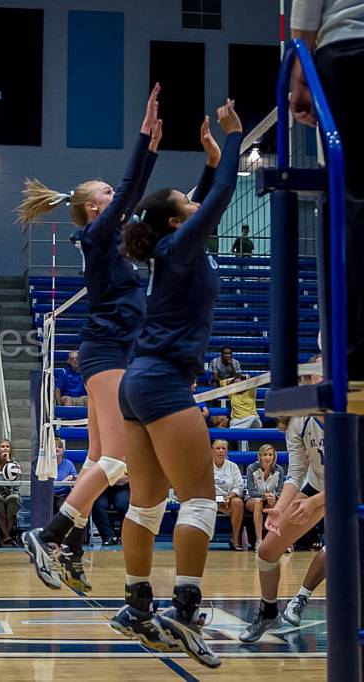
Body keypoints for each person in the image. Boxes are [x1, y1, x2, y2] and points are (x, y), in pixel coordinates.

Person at [104, 100, 242, 667]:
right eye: (187, 202)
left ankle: (136, 605)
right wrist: (231, 142)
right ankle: (184, 612)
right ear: (175, 222)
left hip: (139, 382)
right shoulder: (181, 247)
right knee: (202, 498)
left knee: (147, 504)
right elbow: (219, 201)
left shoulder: (175, 245)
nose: (195, 201)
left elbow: (198, 204)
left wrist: (207, 165)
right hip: (161, 382)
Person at [17, 87, 163, 593]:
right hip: (107, 352)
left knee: (103, 461)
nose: (115, 199)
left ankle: (74, 551)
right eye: (106, 193)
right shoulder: (98, 236)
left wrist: (153, 149)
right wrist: (145, 139)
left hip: (112, 351)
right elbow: (129, 190)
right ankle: (50, 534)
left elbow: (134, 197)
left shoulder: (113, 238)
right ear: (93, 207)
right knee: (118, 460)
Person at [290, 0, 364, 379]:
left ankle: (350, 349)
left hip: (347, 47)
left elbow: (304, 18)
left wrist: (299, 73)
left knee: (348, 200)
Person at [239, 404, 326, 642]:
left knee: (338, 549)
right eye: (307, 377)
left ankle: (301, 597)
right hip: (318, 487)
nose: (312, 382)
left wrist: (315, 503)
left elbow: (352, 476)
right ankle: (268, 611)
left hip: (353, 491)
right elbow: (296, 472)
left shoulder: (351, 414)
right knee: (267, 552)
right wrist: (279, 508)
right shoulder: (298, 420)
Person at [244, 444, 284, 550]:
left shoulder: (279, 469)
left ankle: (279, 541)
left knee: (276, 503)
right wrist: (264, 496)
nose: (267, 457)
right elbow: (252, 491)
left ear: (274, 456)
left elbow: (280, 491)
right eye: (265, 455)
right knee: (258, 503)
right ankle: (259, 541)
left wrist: (274, 496)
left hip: (271, 498)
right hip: (253, 500)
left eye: (270, 455)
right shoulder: (251, 468)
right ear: (260, 456)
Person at [0, 440, 24, 547]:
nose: (5, 448)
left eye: (7, 446)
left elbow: (15, 478)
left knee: (12, 505)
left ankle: (5, 537)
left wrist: (8, 462)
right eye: (2, 446)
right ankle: (6, 536)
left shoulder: (15, 463)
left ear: (10, 449)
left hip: (11, 491)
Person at [211, 439, 245, 550]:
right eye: (218, 448)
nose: (221, 451)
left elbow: (239, 486)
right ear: (212, 451)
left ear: (227, 451)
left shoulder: (233, 466)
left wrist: (231, 495)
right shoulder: (205, 465)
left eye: (223, 448)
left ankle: (235, 538)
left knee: (238, 502)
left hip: (227, 500)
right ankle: (200, 539)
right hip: (209, 500)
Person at [92, 474, 131, 547]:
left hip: (121, 485)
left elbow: (133, 473)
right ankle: (108, 536)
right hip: (102, 487)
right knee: (97, 505)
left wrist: (126, 477)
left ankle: (125, 536)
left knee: (124, 504)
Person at [54, 438, 78, 510]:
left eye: (59, 447)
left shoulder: (69, 463)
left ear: (63, 450)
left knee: (63, 508)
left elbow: (74, 476)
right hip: (49, 495)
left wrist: (71, 477)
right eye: (55, 447)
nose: (57, 449)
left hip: (63, 495)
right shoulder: (46, 464)